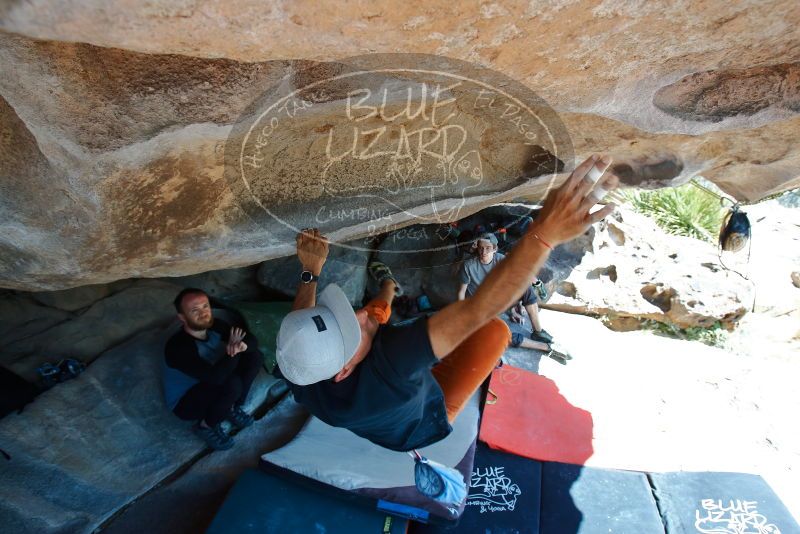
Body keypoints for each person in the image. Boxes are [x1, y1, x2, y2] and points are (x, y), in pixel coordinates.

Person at [275, 154, 618, 451]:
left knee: (392, 320)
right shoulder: (392, 363)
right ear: (345, 370)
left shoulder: (298, 362)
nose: (361, 313)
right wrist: (546, 234)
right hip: (425, 423)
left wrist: (310, 270)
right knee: (494, 331)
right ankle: (427, 344)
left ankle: (391, 303)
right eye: (356, 327)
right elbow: (479, 307)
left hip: (379, 411)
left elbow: (303, 321)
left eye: (349, 314)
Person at [163, 288, 263, 451]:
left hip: (212, 379)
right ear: (182, 317)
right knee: (232, 383)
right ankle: (206, 426)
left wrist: (242, 345)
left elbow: (251, 341)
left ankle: (231, 408)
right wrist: (233, 352)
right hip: (186, 402)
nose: (203, 313)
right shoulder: (178, 347)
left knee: (254, 356)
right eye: (195, 310)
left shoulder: (214, 325)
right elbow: (215, 378)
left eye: (205, 306)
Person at [457, 232, 554, 353]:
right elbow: (461, 292)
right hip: (480, 308)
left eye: (488, 248)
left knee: (525, 288)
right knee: (495, 335)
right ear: (477, 247)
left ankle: (538, 331)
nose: (484, 252)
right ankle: (544, 347)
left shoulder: (500, 259)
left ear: (495, 249)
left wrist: (513, 308)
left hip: (497, 300)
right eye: (481, 248)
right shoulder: (468, 266)